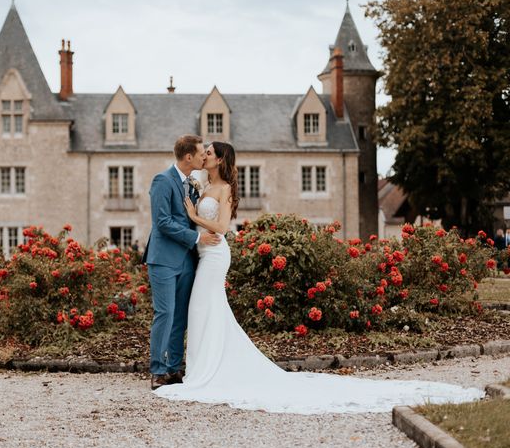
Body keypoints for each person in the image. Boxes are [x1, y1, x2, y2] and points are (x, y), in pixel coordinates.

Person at [153, 141, 483, 414]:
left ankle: (204, 372)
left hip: (214, 254)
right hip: (202, 256)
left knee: (203, 310)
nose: (205, 153)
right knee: (202, 312)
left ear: (221, 159)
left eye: (210, 151)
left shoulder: (221, 188)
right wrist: (194, 216)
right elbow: (178, 203)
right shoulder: (200, 183)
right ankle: (198, 369)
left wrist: (196, 216)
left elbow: (222, 228)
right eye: (203, 150)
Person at [143, 135, 220, 390]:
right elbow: (162, 222)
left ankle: (174, 368)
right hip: (163, 259)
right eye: (200, 153)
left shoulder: (193, 183)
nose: (203, 157)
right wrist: (197, 236)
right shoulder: (162, 181)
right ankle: (157, 370)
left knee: (180, 317)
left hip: (187, 260)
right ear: (188, 157)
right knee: (164, 314)